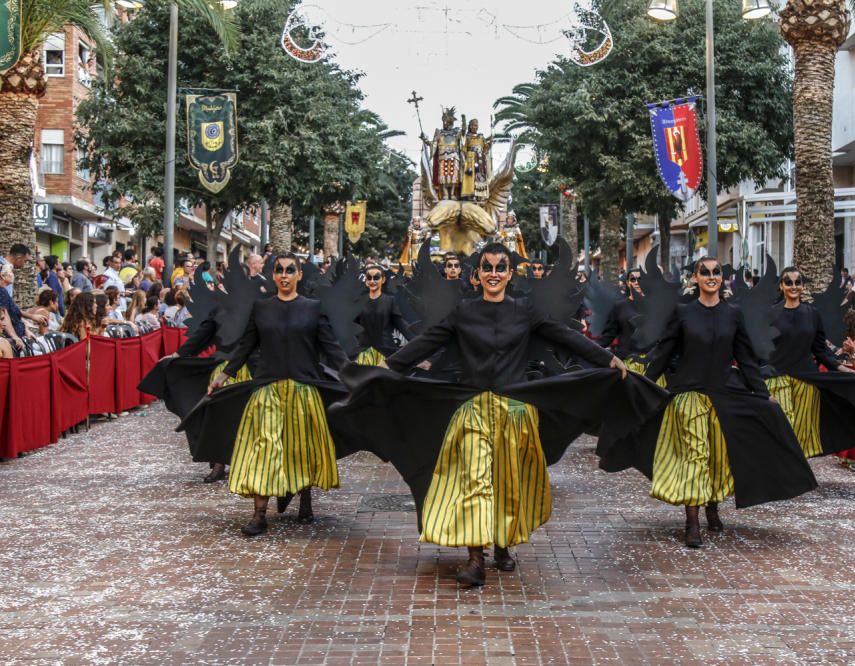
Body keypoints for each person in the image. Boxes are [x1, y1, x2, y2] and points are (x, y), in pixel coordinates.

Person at [330, 242, 637, 587]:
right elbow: (428, 341)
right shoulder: (464, 311)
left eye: (500, 268)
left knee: (509, 481)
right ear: (477, 275)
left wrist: (605, 359)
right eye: (487, 268)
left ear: (509, 273)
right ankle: (476, 558)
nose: (494, 274)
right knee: (474, 478)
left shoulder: (525, 310)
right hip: (473, 408)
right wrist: (387, 366)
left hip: (514, 411)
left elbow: (565, 337)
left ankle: (503, 543)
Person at [619, 257, 817, 548]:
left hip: (725, 394)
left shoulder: (733, 314)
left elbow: (746, 358)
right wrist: (644, 385)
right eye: (705, 272)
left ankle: (712, 505)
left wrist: (762, 394)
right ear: (696, 278)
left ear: (722, 279)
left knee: (718, 457)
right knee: (695, 456)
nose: (711, 277)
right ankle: (692, 523)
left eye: (716, 273)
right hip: (689, 395)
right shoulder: (683, 312)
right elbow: (664, 353)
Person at [205, 252, 351, 536]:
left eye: (290, 270)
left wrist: (351, 372)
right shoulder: (261, 308)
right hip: (267, 388)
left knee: (302, 448)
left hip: (303, 389)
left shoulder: (313, 308)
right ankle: (260, 515)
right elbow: (245, 346)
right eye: (279, 270)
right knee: (264, 449)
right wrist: (223, 376)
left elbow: (331, 346)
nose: (284, 275)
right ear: (273, 275)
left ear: (298, 275)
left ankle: (305, 500)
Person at [764, 266, 855, 460]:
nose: (793, 286)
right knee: (784, 427)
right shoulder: (770, 314)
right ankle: (784, 475)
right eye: (788, 282)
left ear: (802, 286)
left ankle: (790, 477)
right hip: (776, 379)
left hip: (807, 380)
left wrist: (842, 369)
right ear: (782, 286)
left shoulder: (812, 314)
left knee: (801, 432)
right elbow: (760, 349)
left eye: (797, 282)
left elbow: (820, 350)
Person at [355, 264, 411, 366]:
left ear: (383, 280)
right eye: (369, 278)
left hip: (386, 351)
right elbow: (350, 327)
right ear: (366, 281)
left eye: (376, 277)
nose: (372, 281)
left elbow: (402, 325)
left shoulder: (390, 301)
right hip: (364, 352)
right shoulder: (359, 301)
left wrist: (418, 343)